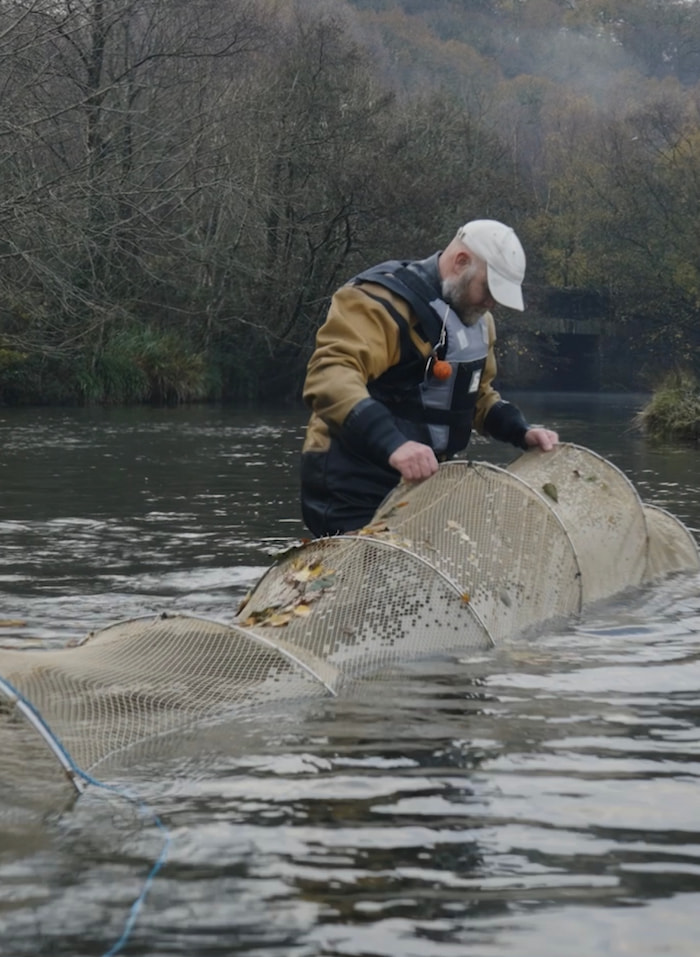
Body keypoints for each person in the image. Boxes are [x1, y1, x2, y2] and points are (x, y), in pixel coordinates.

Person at [300, 219, 559, 537]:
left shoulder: (480, 321)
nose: (492, 303)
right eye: (489, 289)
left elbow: (478, 396)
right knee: (370, 564)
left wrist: (521, 431)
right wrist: (394, 444)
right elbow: (329, 375)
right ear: (461, 262)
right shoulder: (377, 303)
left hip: (423, 485)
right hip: (352, 479)